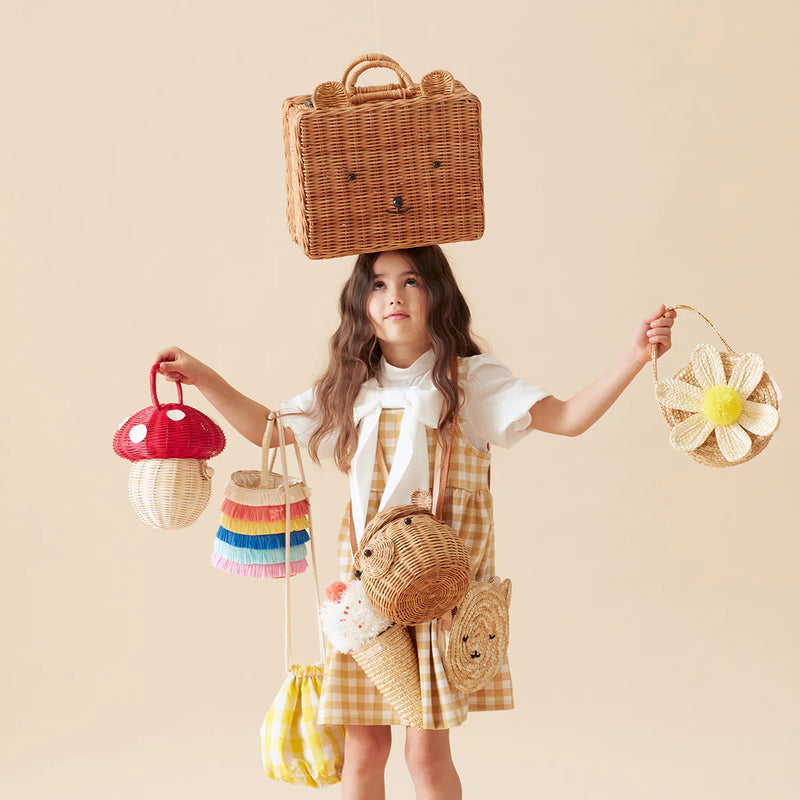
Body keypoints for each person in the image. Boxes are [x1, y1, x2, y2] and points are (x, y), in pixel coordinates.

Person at [155, 245, 675, 800]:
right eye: (378, 285)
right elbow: (270, 430)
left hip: (440, 590)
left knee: (425, 752)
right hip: (366, 589)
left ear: (438, 295)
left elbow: (568, 418)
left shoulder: (472, 381)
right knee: (365, 747)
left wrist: (634, 356)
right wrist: (204, 377)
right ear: (361, 304)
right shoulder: (349, 387)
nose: (394, 296)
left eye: (411, 281)